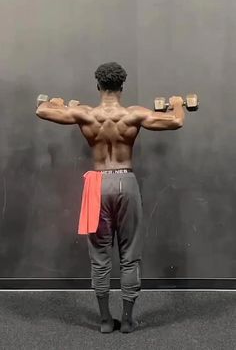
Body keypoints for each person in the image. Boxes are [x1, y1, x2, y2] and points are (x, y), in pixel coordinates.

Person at [36, 62, 185, 333]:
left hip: (98, 183)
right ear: (122, 86)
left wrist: (56, 102)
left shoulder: (85, 114)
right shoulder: (133, 114)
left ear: (98, 85)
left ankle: (105, 320)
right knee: (129, 255)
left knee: (100, 256)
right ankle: (127, 319)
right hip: (125, 181)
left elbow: (42, 110)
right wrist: (175, 103)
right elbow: (176, 120)